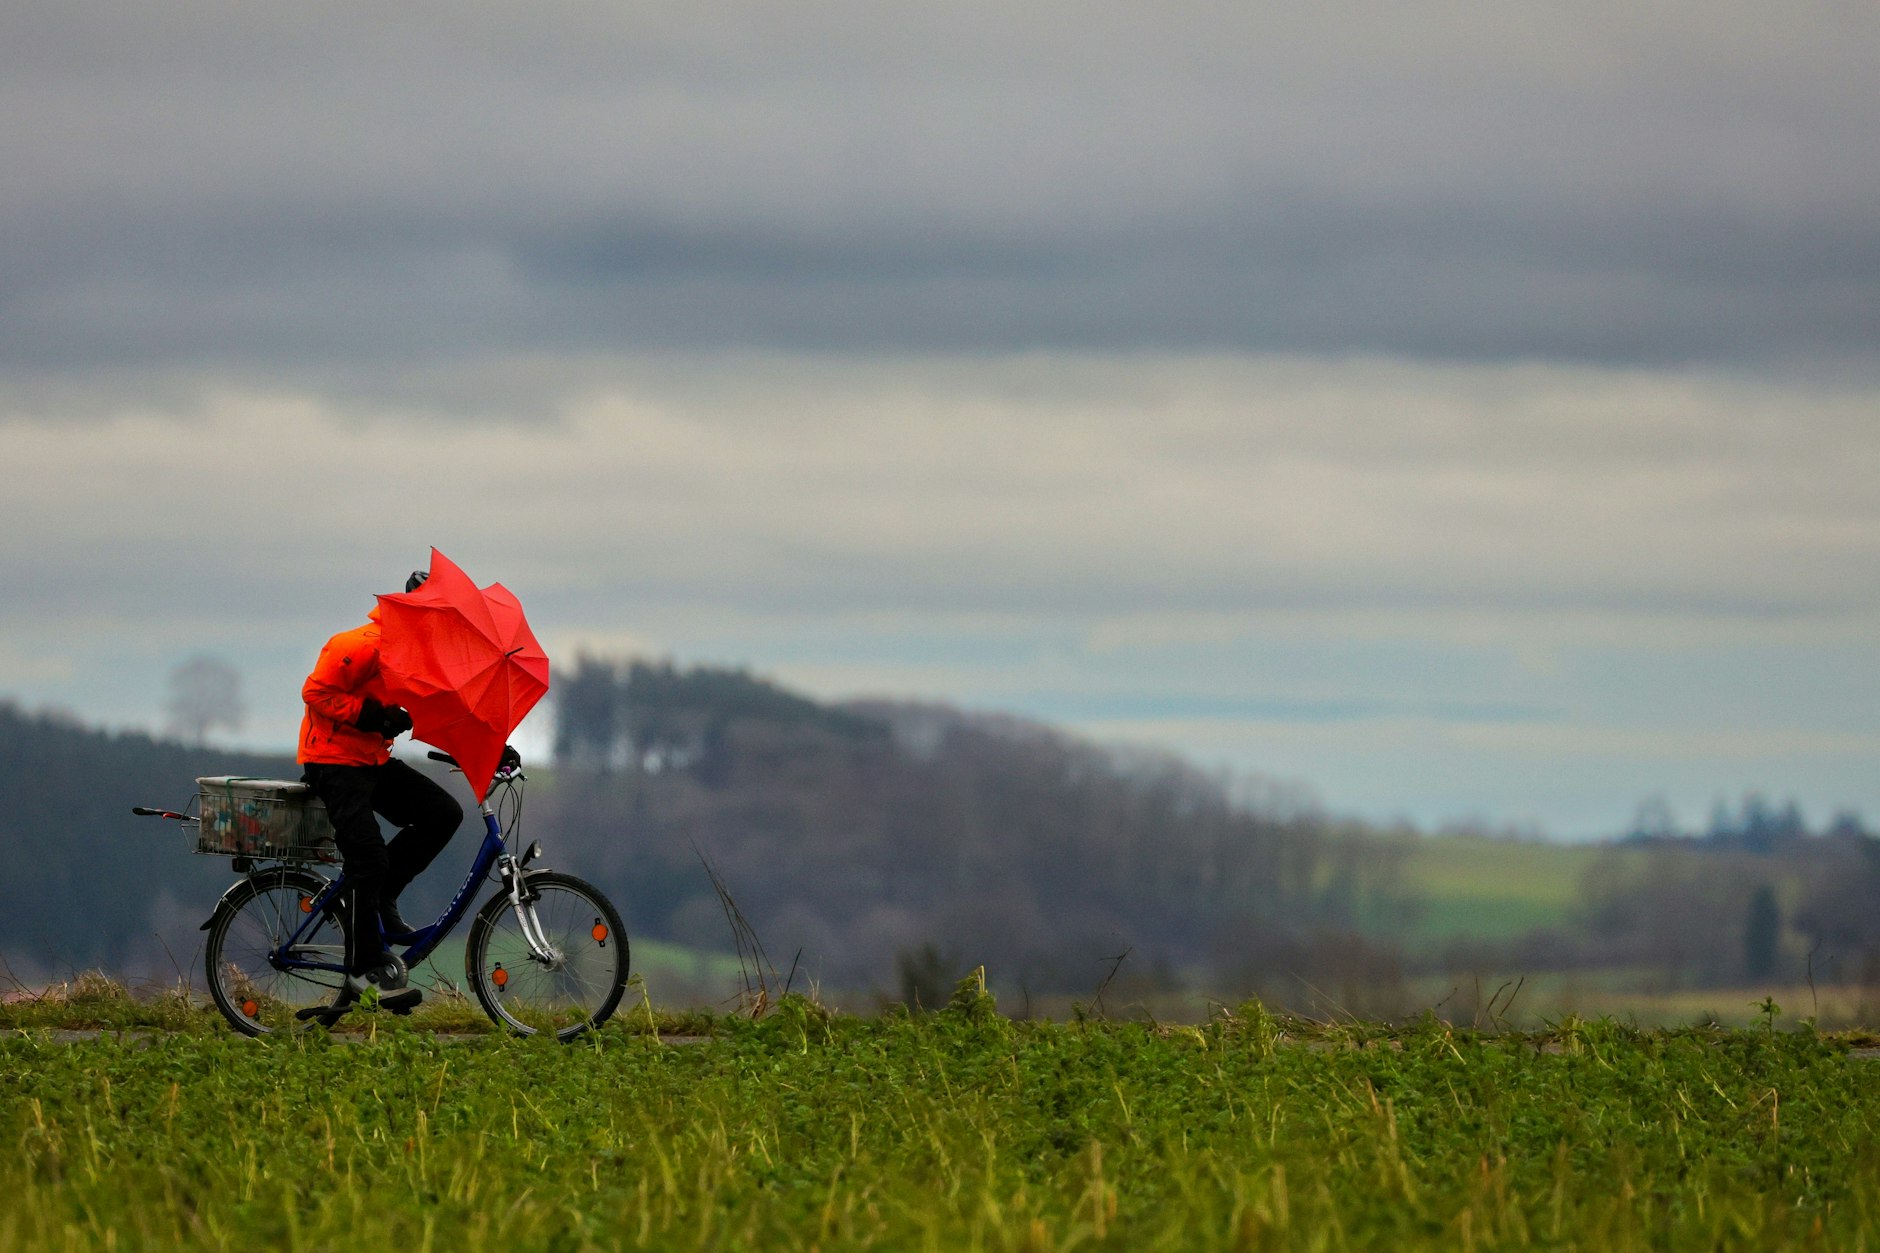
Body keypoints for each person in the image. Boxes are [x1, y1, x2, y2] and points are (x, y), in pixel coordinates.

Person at [297, 568, 514, 1007]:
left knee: (442, 814)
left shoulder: (418, 659)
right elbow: (315, 692)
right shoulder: (360, 644)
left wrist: (495, 749)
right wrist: (373, 717)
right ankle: (364, 971)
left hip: (371, 761)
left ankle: (381, 898)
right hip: (332, 762)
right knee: (369, 860)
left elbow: (449, 713)